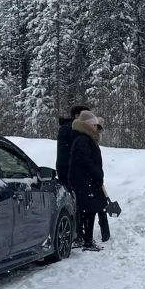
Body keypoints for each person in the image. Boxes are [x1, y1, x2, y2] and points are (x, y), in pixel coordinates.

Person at [67, 110, 106, 251]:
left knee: (86, 210)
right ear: (88, 125)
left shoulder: (84, 138)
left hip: (86, 180)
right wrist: (96, 174)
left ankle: (82, 238)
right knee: (89, 210)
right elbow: (86, 161)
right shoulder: (83, 140)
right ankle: (87, 240)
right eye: (94, 125)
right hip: (85, 181)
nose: (96, 127)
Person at [55, 104, 91, 194]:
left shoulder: (66, 127)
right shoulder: (73, 128)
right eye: (85, 116)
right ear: (77, 115)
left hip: (65, 168)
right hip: (72, 169)